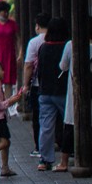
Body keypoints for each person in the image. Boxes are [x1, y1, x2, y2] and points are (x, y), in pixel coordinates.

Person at [58, 17, 92, 172]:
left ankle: (63, 162)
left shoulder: (71, 45)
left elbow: (63, 66)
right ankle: (90, 157)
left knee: (70, 125)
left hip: (74, 91)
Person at [26, 15, 69, 171]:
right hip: (63, 91)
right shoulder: (67, 46)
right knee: (69, 123)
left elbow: (40, 70)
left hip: (45, 91)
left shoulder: (43, 47)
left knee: (46, 126)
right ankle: (71, 153)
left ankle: (45, 160)